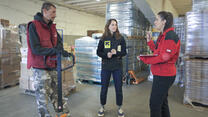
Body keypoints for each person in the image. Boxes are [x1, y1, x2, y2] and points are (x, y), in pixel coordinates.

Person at [27, 2, 71, 117]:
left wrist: (63, 51)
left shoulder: (52, 27)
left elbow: (59, 43)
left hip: (53, 65)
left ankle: (62, 113)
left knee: (58, 91)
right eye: (53, 12)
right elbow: (36, 49)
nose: (55, 15)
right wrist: (54, 51)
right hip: (40, 67)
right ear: (44, 11)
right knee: (43, 96)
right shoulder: (33, 26)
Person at [139, 11, 180, 117]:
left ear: (164, 22)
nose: (155, 22)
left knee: (155, 104)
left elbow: (163, 57)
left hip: (165, 76)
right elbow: (157, 51)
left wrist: (145, 59)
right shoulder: (163, 36)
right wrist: (149, 41)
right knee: (162, 103)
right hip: (161, 74)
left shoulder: (170, 36)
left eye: (157, 19)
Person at [97, 19, 127, 117]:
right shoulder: (103, 38)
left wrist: (116, 53)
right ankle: (102, 106)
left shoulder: (120, 38)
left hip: (117, 67)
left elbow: (124, 52)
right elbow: (98, 52)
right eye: (112, 25)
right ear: (108, 26)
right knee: (104, 88)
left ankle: (120, 107)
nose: (114, 26)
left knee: (118, 88)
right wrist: (106, 55)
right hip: (106, 66)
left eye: (116, 25)